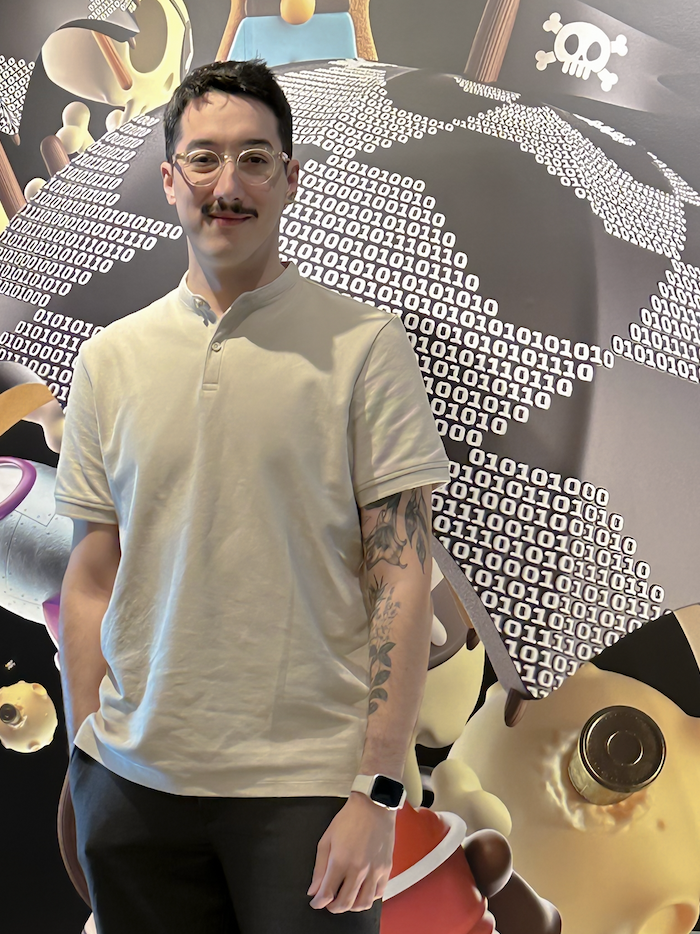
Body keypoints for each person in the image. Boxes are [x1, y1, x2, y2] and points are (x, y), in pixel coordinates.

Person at [54, 58, 450, 933]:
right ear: (170, 180)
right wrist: (85, 753)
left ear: (289, 178)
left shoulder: (362, 346)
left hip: (307, 795)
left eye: (254, 160)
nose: (227, 185)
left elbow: (401, 575)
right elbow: (91, 573)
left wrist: (379, 788)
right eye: (203, 158)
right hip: (132, 788)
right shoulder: (109, 360)